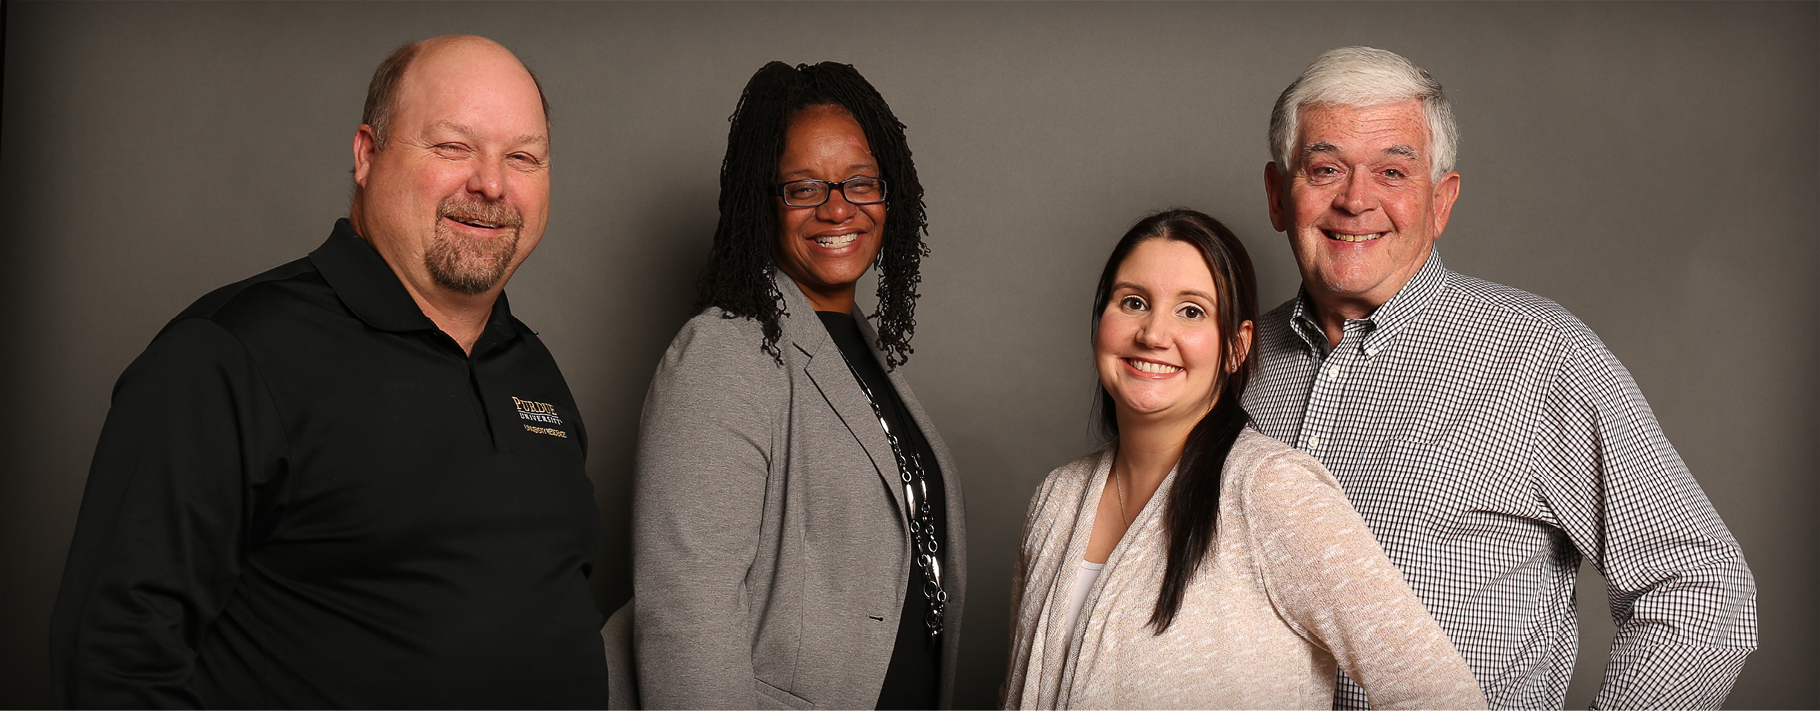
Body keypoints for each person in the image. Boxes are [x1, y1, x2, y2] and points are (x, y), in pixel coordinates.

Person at [50, 36, 611, 708]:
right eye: (453, 146)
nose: (491, 183)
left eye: (522, 157)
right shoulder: (230, 352)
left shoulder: (533, 372)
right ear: (366, 155)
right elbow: (113, 658)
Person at [1246, 46, 1757, 709]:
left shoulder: (1540, 355)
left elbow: (1701, 585)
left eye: (1393, 171)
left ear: (1441, 201)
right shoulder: (1228, 363)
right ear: (1278, 196)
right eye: (1325, 169)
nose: (1356, 199)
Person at [1002, 210, 1485, 710]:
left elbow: (1440, 696)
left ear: (1236, 347)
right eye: (1133, 302)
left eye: (1191, 311)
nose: (1152, 333)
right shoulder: (1056, 498)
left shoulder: (1272, 491)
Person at [631, 61, 964, 710]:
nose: (837, 207)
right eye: (803, 187)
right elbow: (686, 621)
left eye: (859, 182)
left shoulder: (862, 351)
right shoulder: (726, 352)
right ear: (764, 202)